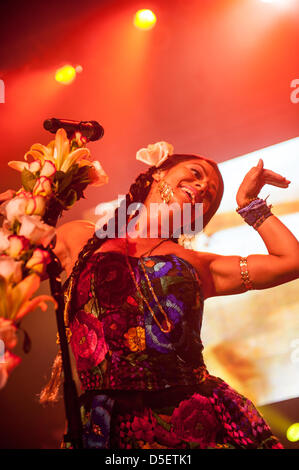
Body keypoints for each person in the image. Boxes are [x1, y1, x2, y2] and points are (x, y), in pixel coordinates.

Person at [50, 145, 298, 449]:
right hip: (104, 427)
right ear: (158, 172)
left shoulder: (200, 264)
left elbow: (290, 261)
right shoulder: (81, 238)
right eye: (196, 174)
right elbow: (15, 258)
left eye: (210, 194)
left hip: (187, 424)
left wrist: (250, 204)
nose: (203, 186)